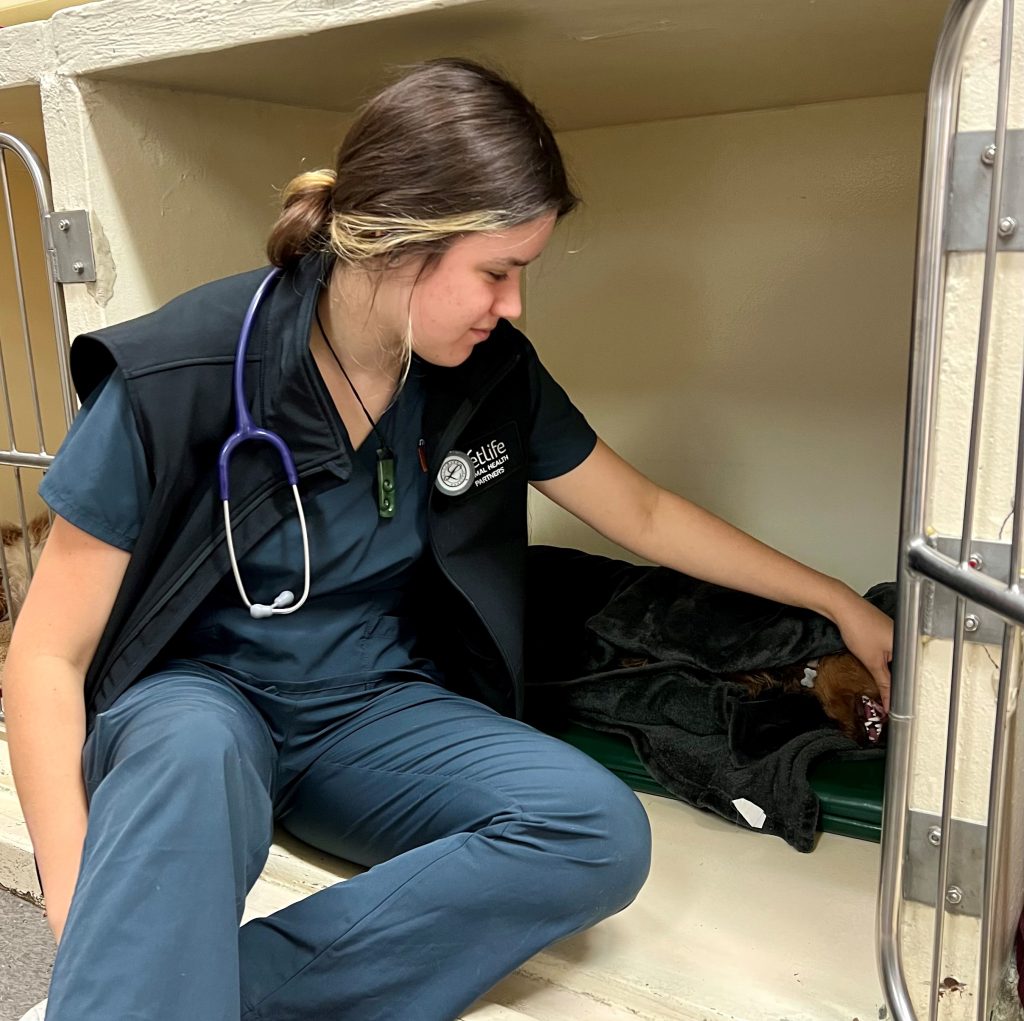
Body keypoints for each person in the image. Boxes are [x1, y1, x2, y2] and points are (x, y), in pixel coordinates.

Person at [4, 58, 893, 1021]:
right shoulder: (178, 372)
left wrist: (836, 600)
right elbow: (44, 657)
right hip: (203, 713)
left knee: (596, 831)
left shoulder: (484, 372)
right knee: (190, 748)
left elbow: (642, 513)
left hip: (369, 716)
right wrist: (78, 915)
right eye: (497, 272)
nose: (512, 305)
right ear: (398, 242)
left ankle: (182, 999)